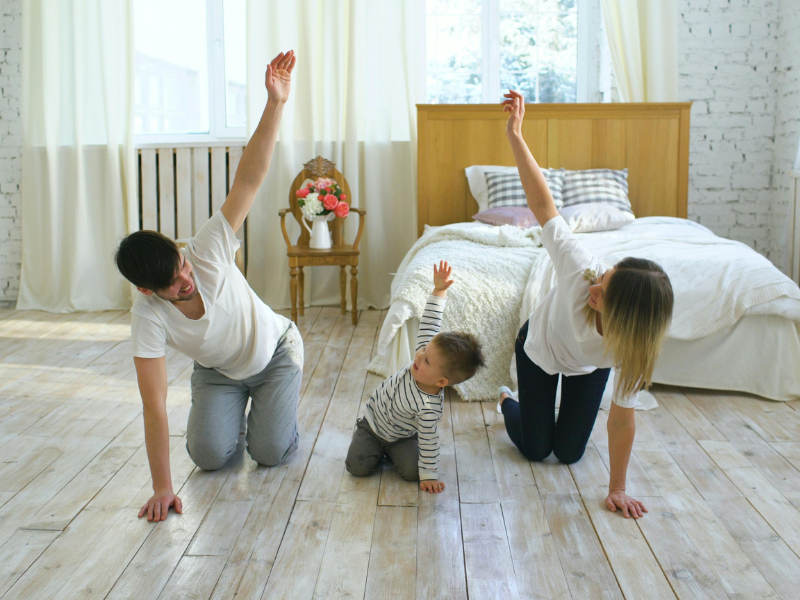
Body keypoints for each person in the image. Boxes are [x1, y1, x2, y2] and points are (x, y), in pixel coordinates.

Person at [114, 51, 299, 522]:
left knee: (272, 453)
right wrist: (162, 487)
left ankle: (271, 416)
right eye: (173, 285)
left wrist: (275, 103)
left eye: (182, 266)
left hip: (275, 353)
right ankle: (231, 414)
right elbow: (154, 405)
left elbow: (250, 179)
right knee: (210, 457)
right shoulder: (148, 316)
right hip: (219, 371)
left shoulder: (208, 246)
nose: (185, 279)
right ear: (146, 291)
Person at [497, 90, 674, 518]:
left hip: (587, 368)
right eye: (603, 278)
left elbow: (622, 418)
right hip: (539, 349)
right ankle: (507, 400)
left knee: (570, 454)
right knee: (538, 451)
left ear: (627, 321)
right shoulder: (582, 267)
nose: (594, 288)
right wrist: (516, 135)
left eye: (604, 295)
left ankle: (542, 416)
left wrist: (617, 488)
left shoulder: (633, 347)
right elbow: (543, 205)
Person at [345, 261, 485, 493]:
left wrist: (429, 475)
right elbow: (430, 321)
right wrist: (439, 289)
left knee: (413, 474)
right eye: (424, 350)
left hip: (402, 436)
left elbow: (430, 441)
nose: (418, 357)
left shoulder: (429, 408)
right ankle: (371, 444)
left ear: (441, 382)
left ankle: (394, 451)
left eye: (427, 361)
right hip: (372, 424)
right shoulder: (424, 354)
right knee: (356, 468)